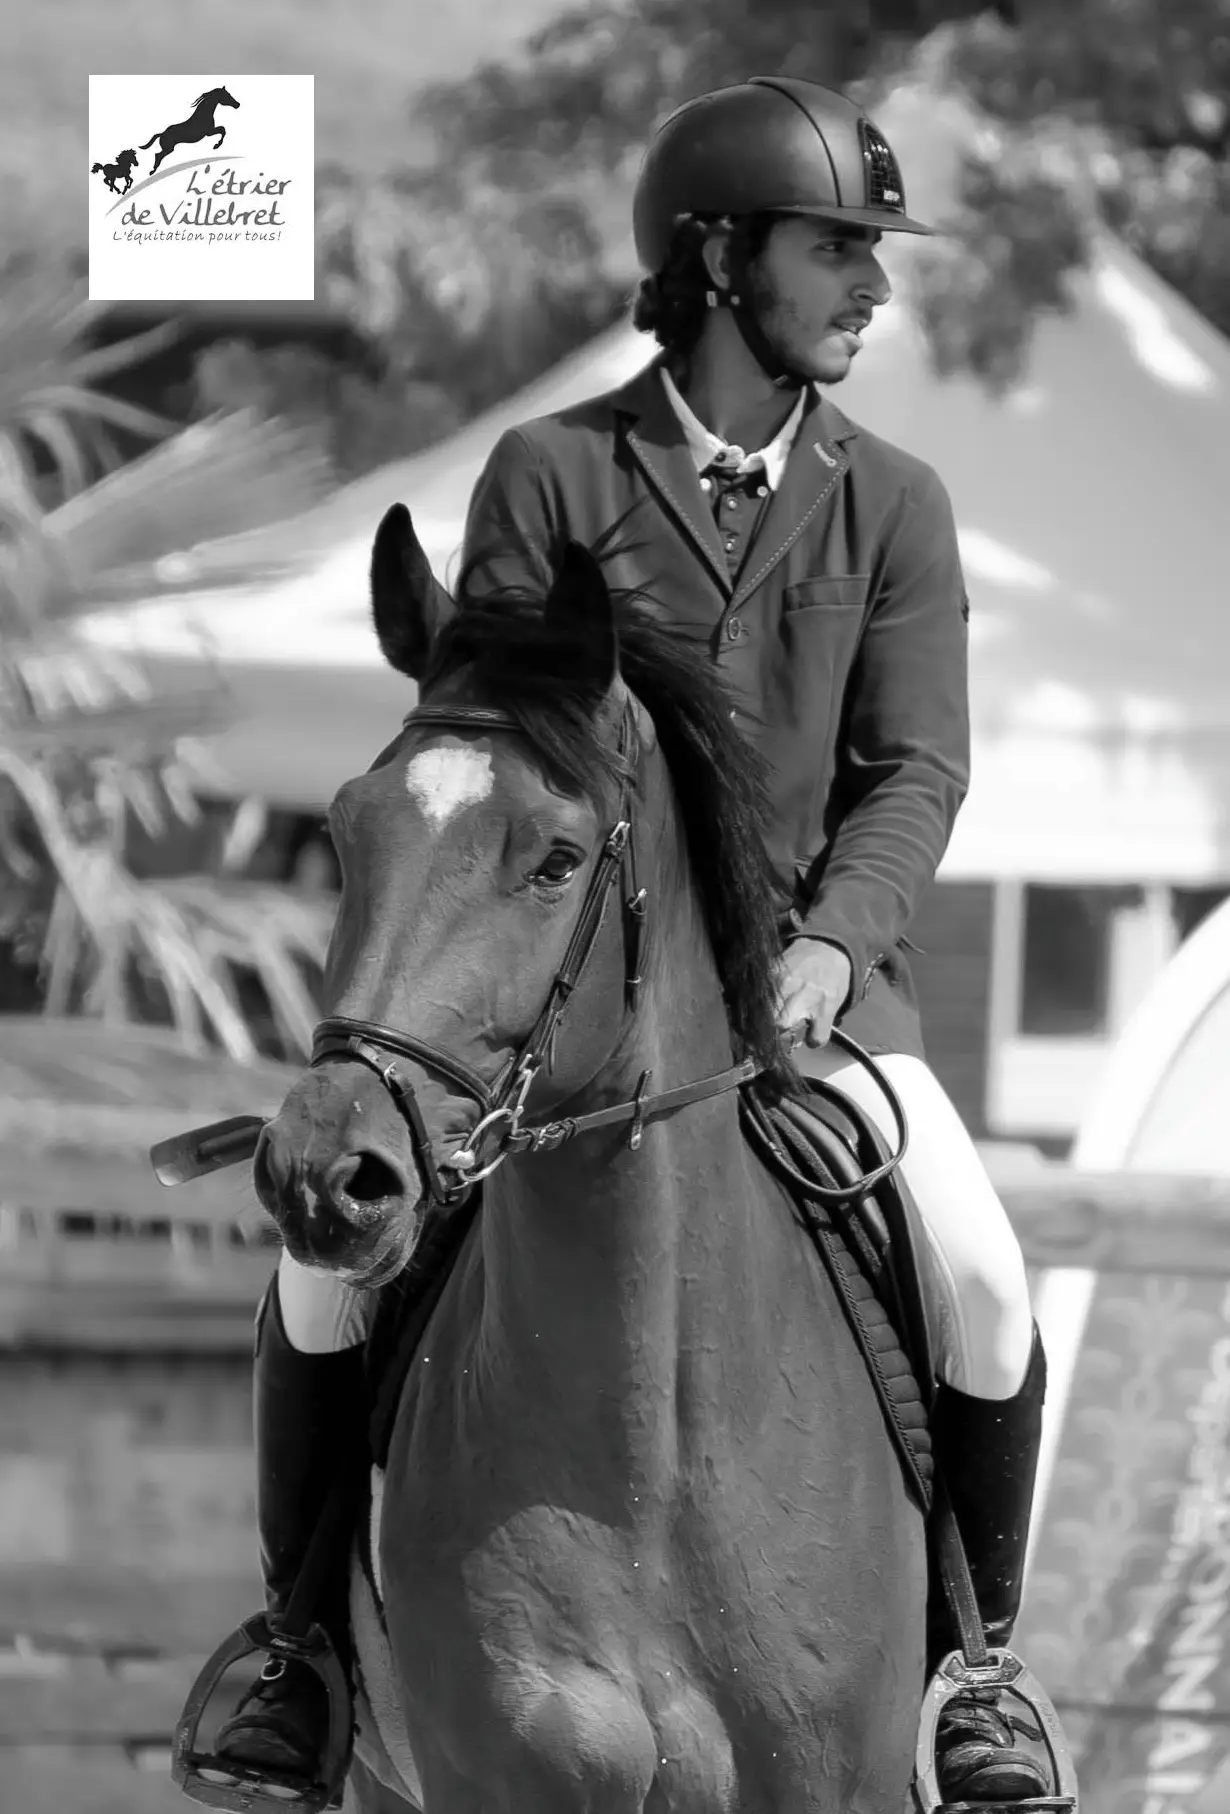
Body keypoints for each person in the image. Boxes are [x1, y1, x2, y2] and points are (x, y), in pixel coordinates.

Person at [210, 76, 1063, 1809]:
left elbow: (915, 769)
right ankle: (297, 1646)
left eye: (874, 253)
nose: (872, 284)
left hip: (826, 1008)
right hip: (570, 1013)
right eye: (836, 248)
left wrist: (830, 947)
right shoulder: (552, 474)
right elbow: (488, 748)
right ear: (720, 258)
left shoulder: (893, 502)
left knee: (982, 1278)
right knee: (320, 1272)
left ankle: (976, 1674)